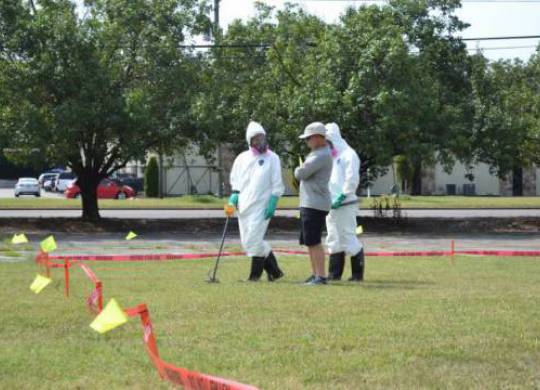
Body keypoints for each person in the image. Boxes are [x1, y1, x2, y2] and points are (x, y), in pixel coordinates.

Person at [228, 121, 285, 281]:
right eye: (256, 138)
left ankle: (254, 277)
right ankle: (275, 272)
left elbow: (277, 183)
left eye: (262, 137)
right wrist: (234, 196)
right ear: (250, 141)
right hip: (244, 206)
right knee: (248, 242)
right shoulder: (242, 158)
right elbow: (236, 180)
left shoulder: (273, 158)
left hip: (262, 205)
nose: (260, 141)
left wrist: (273, 202)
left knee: (253, 240)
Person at [294, 122, 333, 285]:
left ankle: (321, 276)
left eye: (309, 138)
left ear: (318, 137)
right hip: (310, 202)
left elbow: (301, 173)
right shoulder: (317, 153)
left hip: (315, 203)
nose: (307, 141)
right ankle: (315, 273)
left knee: (314, 241)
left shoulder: (321, 155)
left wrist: (298, 168)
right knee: (309, 241)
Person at [325, 123, 365, 282]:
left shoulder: (349, 155)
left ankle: (357, 274)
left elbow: (352, 179)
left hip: (346, 204)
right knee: (333, 238)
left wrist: (342, 196)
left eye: (328, 141)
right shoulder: (331, 157)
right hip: (330, 206)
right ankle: (334, 274)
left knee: (348, 236)